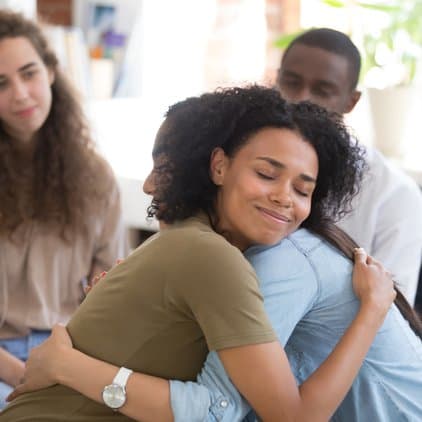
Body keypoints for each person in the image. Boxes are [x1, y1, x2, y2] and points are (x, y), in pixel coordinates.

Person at [10, 88, 422, 422]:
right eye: (266, 174)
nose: (283, 197)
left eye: (302, 190)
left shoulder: (251, 257)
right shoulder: (212, 255)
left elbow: (228, 410)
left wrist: (69, 366)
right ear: (219, 167)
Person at [0, 10, 127, 409]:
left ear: (51, 71)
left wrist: (68, 367)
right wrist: (27, 376)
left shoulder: (95, 177)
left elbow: (110, 288)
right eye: (0, 83)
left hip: (72, 350)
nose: (20, 93)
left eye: (29, 73)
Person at [276, 28, 422, 305]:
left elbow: (391, 313)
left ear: (351, 101)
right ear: (276, 80)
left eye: (323, 90)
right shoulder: (243, 163)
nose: (302, 100)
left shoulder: (394, 194)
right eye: (292, 83)